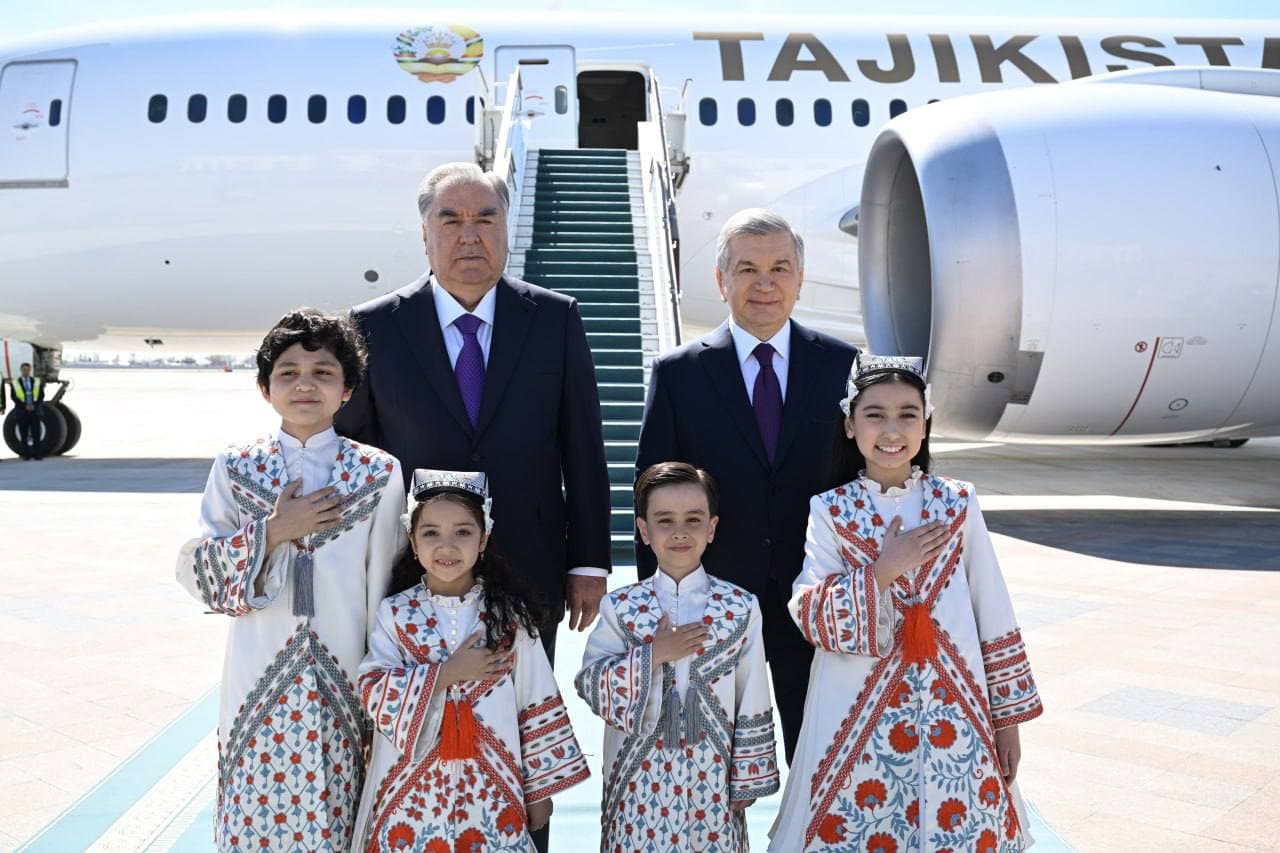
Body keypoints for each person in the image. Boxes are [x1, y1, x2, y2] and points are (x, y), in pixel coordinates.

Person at [334, 163, 611, 659]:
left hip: (530, 558)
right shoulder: (373, 326)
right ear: (425, 235)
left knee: (527, 710)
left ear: (506, 230)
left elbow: (584, 448)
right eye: (450, 220)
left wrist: (589, 562)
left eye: (486, 220)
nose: (470, 236)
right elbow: (355, 452)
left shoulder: (555, 319)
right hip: (411, 565)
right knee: (424, 713)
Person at [767, 355, 1044, 852]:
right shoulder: (829, 509)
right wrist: (882, 571)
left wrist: (1007, 721)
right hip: (852, 704)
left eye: (907, 414)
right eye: (874, 414)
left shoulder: (958, 501)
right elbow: (807, 609)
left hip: (956, 704)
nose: (891, 429)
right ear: (850, 425)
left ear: (926, 422)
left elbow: (993, 609)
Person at [175, 309, 406, 852]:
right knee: (255, 808)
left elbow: (387, 582)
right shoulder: (235, 467)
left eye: (323, 372)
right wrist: (274, 532)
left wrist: (384, 675)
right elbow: (200, 571)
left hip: (348, 672)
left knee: (343, 804)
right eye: (288, 372)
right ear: (264, 388)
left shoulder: (378, 472)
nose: (305, 384)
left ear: (347, 390)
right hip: (258, 670)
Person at [633, 208, 857, 761]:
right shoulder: (680, 373)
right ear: (721, 280)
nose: (765, 283)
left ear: (800, 278)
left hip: (817, 604)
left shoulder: (843, 367)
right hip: (713, 609)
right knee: (709, 764)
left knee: (823, 761)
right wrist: (656, 604)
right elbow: (654, 493)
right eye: (747, 268)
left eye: (780, 268)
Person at [354, 469, 591, 852]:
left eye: (462, 532)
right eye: (431, 533)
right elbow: (372, 687)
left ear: (484, 540)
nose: (446, 546)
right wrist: (445, 675)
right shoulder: (394, 613)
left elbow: (535, 700)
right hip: (410, 782)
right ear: (413, 544)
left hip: (492, 782)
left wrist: (539, 790)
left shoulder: (510, 616)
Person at [576, 462, 779, 852]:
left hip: (714, 771)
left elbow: (753, 689)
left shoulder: (740, 606)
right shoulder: (620, 606)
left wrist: (748, 774)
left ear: (713, 527)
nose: (680, 531)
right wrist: (654, 655)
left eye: (693, 519)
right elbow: (591, 682)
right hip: (637, 771)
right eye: (665, 520)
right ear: (643, 530)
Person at [10, 362, 45, 460]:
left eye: (28, 369)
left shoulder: (36, 381)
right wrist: (25, 406)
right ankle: (26, 455)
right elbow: (13, 397)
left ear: (30, 370)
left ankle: (37, 454)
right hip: (22, 411)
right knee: (23, 434)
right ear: (21, 370)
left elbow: (41, 395)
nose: (26, 371)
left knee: (36, 434)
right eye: (24, 369)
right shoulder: (16, 382)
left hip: (35, 411)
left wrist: (35, 405)